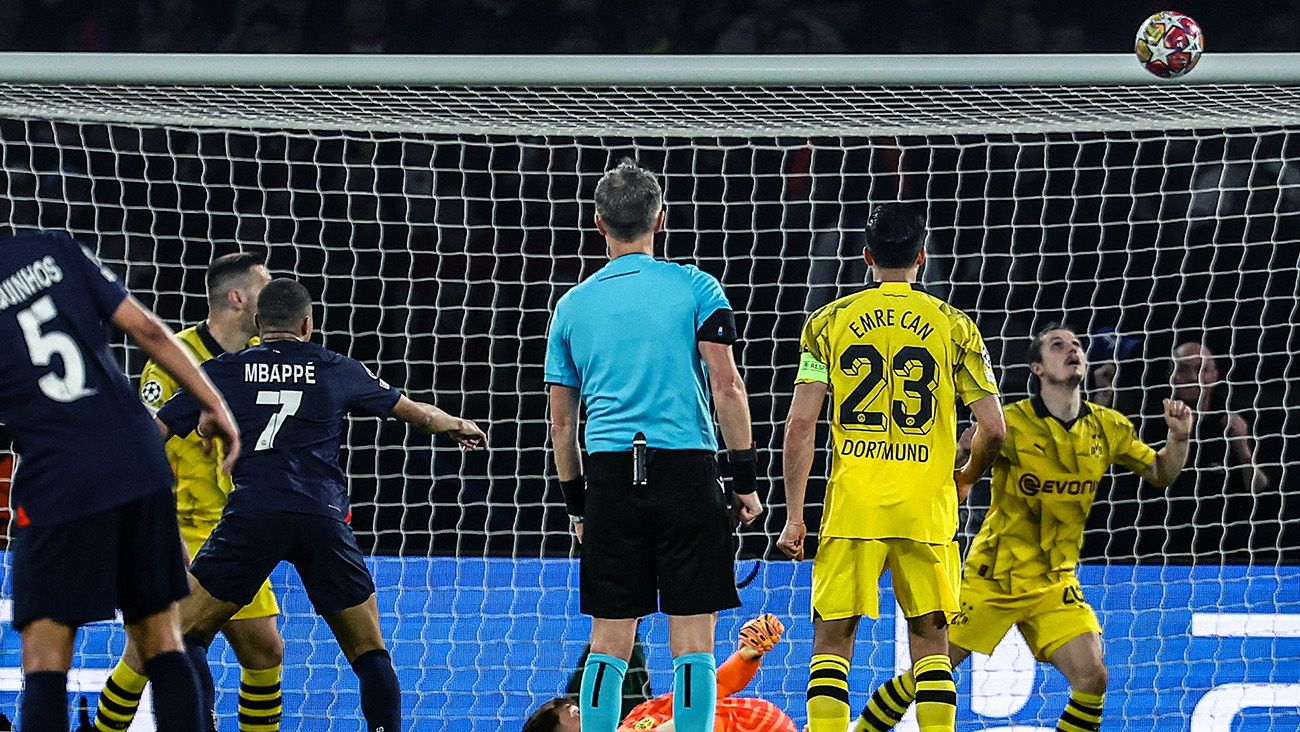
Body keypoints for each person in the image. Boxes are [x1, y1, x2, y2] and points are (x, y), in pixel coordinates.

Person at [154, 278, 486, 732]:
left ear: (257, 323)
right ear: (308, 324)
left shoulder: (223, 369)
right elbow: (416, 413)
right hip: (322, 518)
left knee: (181, 636)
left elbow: (154, 431)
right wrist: (456, 423)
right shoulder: (335, 367)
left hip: (253, 514)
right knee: (370, 653)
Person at [856, 325, 1192, 732]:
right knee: (926, 677)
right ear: (1037, 367)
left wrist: (1178, 439)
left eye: (1077, 345)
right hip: (993, 577)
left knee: (1093, 676)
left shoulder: (1109, 426)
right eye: (1058, 346)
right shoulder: (1010, 424)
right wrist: (962, 455)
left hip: (1054, 581)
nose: (1073, 350)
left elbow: (1160, 473)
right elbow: (960, 485)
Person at [544, 159, 763, 732]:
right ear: (660, 220)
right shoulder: (696, 287)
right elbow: (728, 386)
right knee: (692, 640)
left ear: (598, 224)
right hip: (685, 470)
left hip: (611, 478)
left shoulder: (571, 306)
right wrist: (744, 481)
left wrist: (576, 507)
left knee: (610, 639)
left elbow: (562, 427)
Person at [0, 230, 241, 731]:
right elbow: (149, 332)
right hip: (136, 456)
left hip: (56, 474)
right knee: (161, 639)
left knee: (46, 653)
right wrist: (213, 403)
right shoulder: (54, 248)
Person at [778, 202, 1006, 732]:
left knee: (833, 641)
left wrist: (794, 516)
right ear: (922, 257)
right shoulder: (954, 326)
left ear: (866, 257)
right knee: (930, 642)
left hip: (854, 505)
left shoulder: (827, 323)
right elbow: (994, 428)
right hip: (926, 509)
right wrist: (966, 478)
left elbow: (800, 424)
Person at [92, 251, 285, 732]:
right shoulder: (172, 358)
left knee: (264, 647)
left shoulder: (267, 354)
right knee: (146, 649)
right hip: (179, 526)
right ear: (238, 298)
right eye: (266, 285)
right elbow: (144, 450)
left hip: (233, 529)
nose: (276, 294)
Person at [524, 614, 797, 732]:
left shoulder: (636, 715)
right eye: (573, 714)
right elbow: (693, 726)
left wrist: (748, 654)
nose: (582, 707)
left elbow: (715, 687)